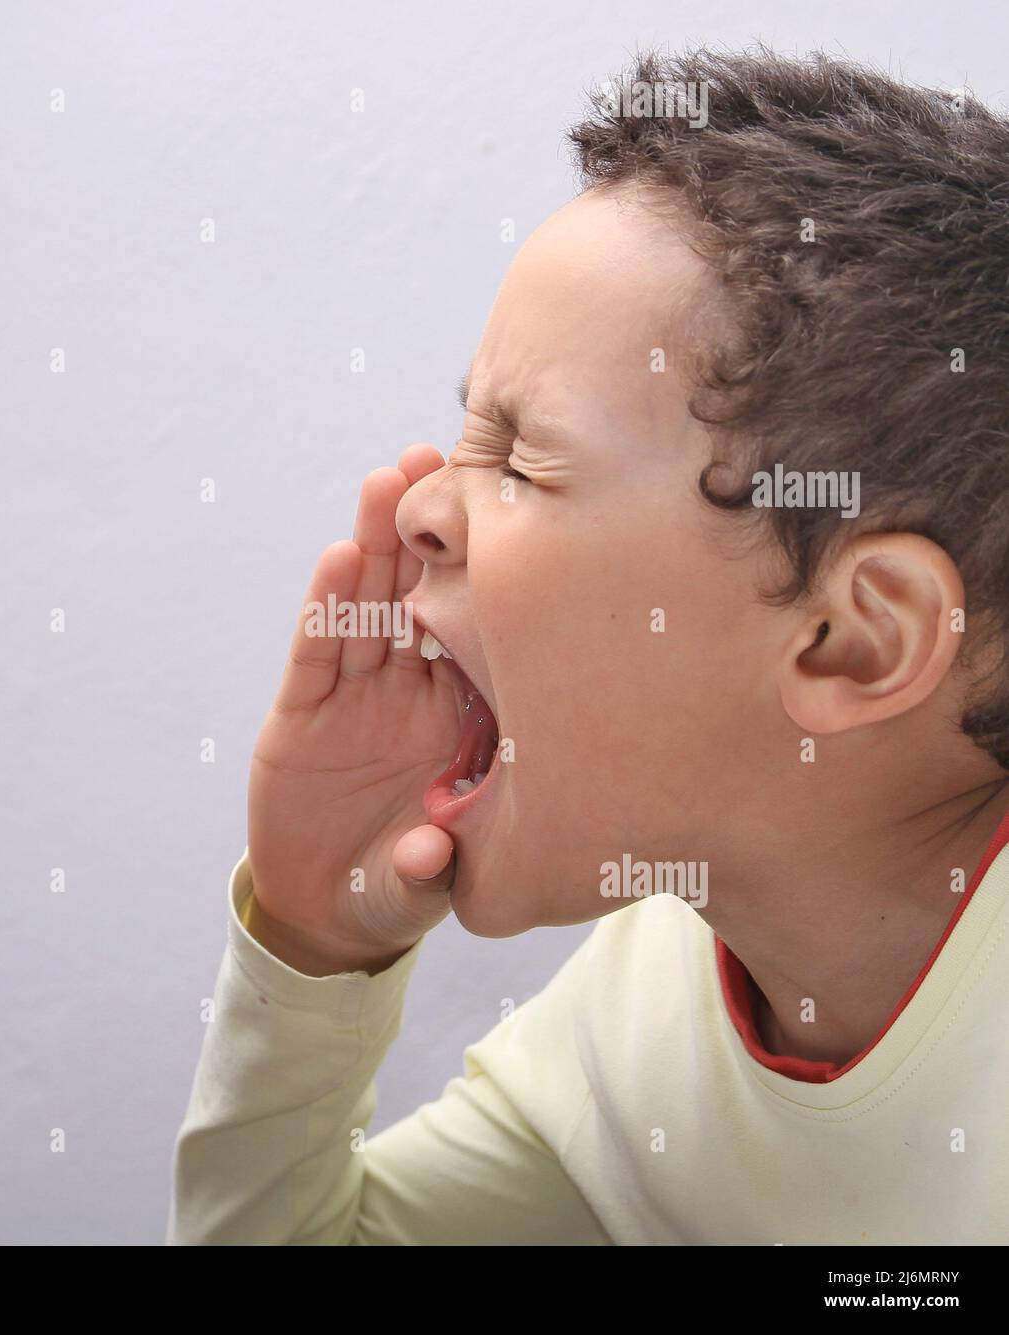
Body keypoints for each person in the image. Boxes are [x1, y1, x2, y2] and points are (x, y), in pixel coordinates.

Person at [168, 44, 1009, 1244]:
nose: (417, 510)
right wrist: (306, 944)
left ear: (852, 642)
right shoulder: (640, 1012)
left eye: (517, 459)